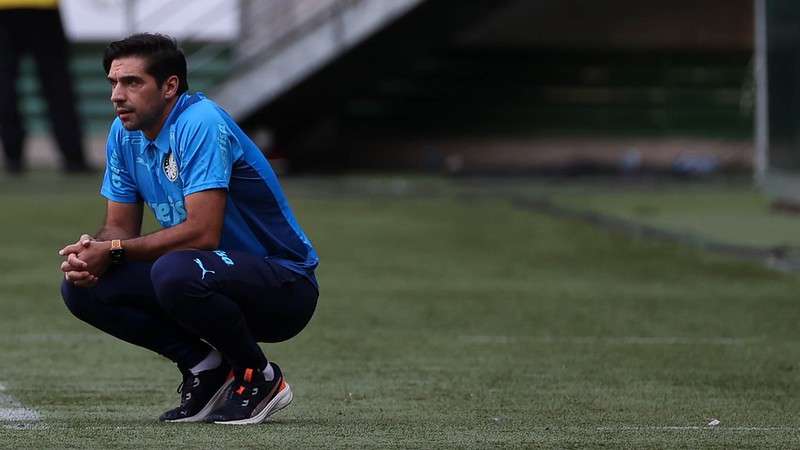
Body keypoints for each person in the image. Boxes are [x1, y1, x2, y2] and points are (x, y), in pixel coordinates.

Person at [58, 33, 319, 425]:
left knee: (174, 269)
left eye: (132, 82)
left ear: (169, 86)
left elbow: (202, 234)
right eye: (113, 82)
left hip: (284, 284)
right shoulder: (123, 133)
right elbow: (119, 226)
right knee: (84, 286)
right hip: (205, 272)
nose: (116, 95)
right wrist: (92, 250)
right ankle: (206, 368)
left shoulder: (200, 122)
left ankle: (259, 376)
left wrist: (112, 250)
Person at [0, 0, 92, 173]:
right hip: (42, 9)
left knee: (6, 87)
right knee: (57, 86)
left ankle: (13, 159)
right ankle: (73, 157)